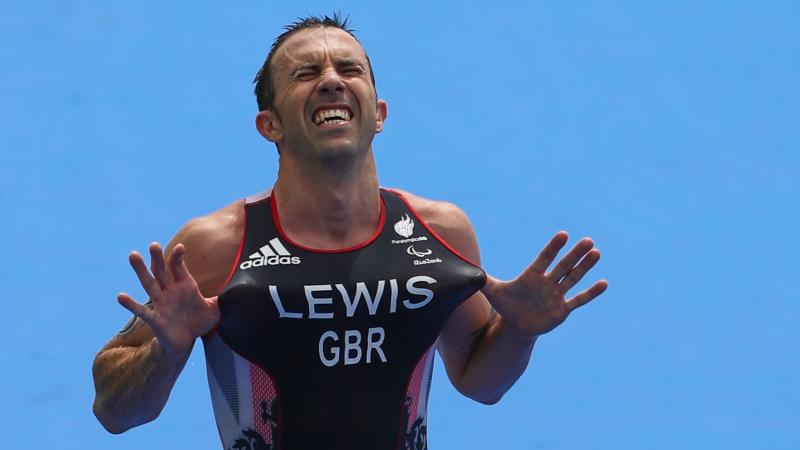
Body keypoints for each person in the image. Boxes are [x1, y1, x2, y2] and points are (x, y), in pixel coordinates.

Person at [92, 14, 608, 450]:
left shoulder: (440, 231)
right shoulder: (215, 246)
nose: (332, 80)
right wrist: (167, 350)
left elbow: (480, 382)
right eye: (305, 73)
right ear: (269, 125)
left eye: (349, 68)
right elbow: (114, 412)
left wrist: (519, 332)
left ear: (378, 114)